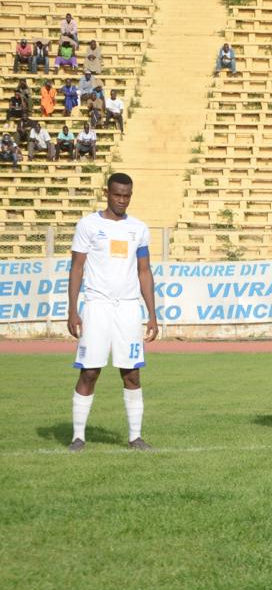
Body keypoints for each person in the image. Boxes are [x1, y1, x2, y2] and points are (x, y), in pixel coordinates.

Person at [66, 173, 158, 452]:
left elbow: (144, 271)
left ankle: (135, 437)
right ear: (107, 192)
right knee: (90, 371)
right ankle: (78, 437)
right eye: (117, 194)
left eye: (127, 195)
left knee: (131, 373)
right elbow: (77, 268)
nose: (122, 200)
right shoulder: (88, 225)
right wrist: (73, 310)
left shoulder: (139, 228)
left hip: (129, 308)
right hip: (97, 306)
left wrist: (152, 314)